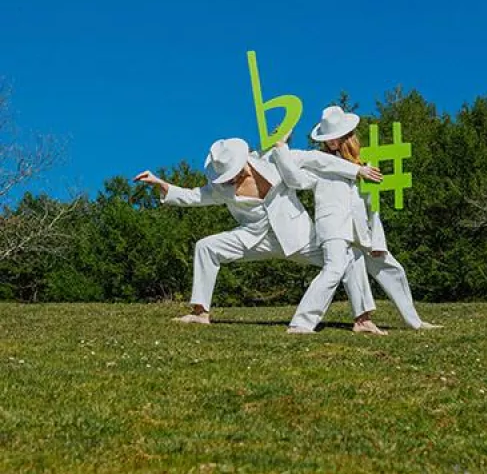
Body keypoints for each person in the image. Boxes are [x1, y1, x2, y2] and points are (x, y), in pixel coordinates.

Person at [134, 137, 386, 333]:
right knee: (206, 247)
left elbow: (317, 159)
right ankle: (200, 313)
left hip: (297, 235)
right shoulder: (222, 188)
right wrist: (162, 185)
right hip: (254, 238)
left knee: (351, 256)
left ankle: (362, 320)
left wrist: (357, 171)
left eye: (232, 171)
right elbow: (195, 196)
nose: (230, 178)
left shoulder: (272, 160)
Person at [273, 106, 442, 333]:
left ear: (347, 135)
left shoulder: (366, 165)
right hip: (332, 226)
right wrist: (281, 147)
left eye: (336, 136)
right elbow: (295, 178)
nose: (332, 141)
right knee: (334, 268)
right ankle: (301, 324)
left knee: (392, 268)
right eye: (328, 137)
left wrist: (378, 239)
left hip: (360, 229)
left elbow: (373, 208)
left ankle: (399, 321)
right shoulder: (319, 163)